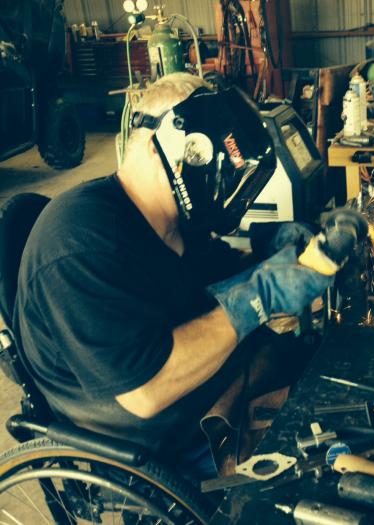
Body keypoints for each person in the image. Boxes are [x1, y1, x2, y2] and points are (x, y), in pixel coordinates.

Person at [13, 73, 334, 478]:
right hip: (161, 436)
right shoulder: (78, 243)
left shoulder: (172, 224)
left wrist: (273, 254)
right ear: (153, 144)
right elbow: (147, 391)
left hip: (221, 384)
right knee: (317, 471)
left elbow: (210, 279)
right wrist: (260, 294)